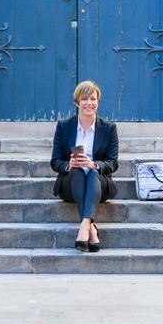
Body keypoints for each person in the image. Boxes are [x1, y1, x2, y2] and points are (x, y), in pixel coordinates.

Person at [50, 80, 119, 252]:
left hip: (99, 185)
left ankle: (84, 227)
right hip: (71, 185)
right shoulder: (64, 126)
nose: (89, 103)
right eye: (84, 99)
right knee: (77, 172)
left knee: (93, 173)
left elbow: (113, 162)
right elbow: (55, 161)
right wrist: (68, 165)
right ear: (77, 102)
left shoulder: (109, 128)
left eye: (93, 99)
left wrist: (94, 164)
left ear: (98, 102)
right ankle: (91, 229)